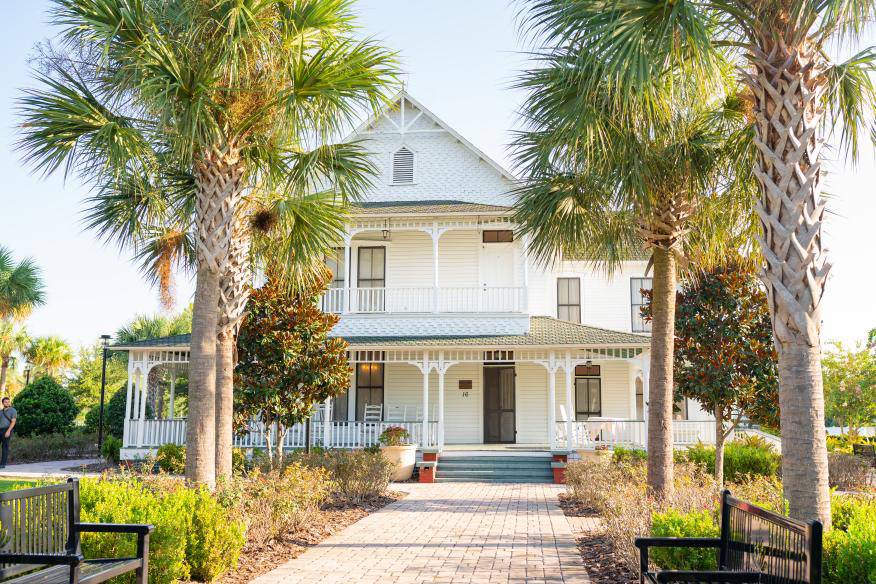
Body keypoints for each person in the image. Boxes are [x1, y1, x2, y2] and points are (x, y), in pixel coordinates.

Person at [0, 397, 16, 468]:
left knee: (5, 447)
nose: (7, 403)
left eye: (8, 402)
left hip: (7, 430)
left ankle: (3, 464)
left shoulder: (12, 410)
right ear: (3, 403)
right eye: (6, 402)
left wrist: (8, 431)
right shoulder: (0, 411)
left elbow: (13, 422)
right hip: (0, 430)